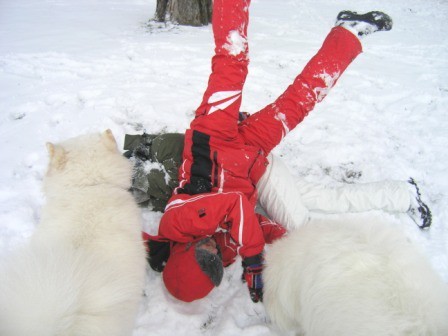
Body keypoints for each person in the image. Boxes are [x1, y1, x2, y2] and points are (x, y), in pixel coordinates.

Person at [144, 0, 404, 303]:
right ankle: (349, 33)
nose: (214, 250)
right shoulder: (223, 252)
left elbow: (235, 206)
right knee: (300, 102)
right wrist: (285, 246)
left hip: (211, 138)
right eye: (215, 262)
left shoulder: (177, 225)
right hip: (248, 155)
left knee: (232, 61)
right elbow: (257, 223)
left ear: (184, 253)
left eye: (206, 255)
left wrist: (252, 257)